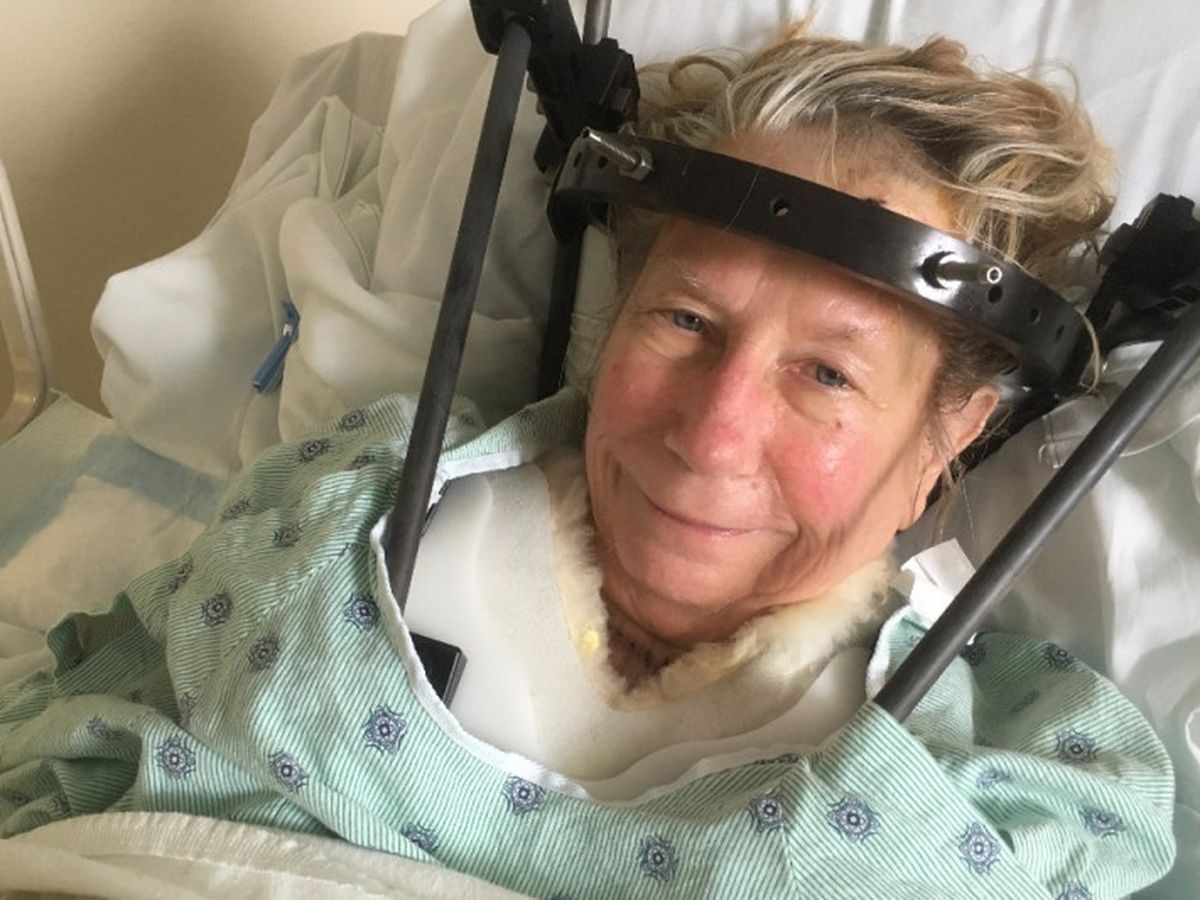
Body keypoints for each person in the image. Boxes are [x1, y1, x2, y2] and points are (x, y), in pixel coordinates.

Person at [0, 22, 1177, 898]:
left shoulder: (992, 782)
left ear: (948, 437)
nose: (710, 433)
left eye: (827, 374)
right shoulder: (339, 513)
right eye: (686, 320)